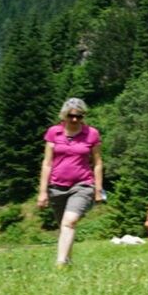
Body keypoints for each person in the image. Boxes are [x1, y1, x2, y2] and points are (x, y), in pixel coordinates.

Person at [37, 97, 104, 267]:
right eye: (71, 116)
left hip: (83, 184)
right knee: (64, 226)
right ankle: (68, 260)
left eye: (79, 116)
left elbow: (97, 163)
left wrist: (98, 189)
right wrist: (43, 192)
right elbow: (47, 163)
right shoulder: (54, 132)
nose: (75, 119)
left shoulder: (91, 134)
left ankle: (59, 264)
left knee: (70, 221)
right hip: (57, 186)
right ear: (64, 115)